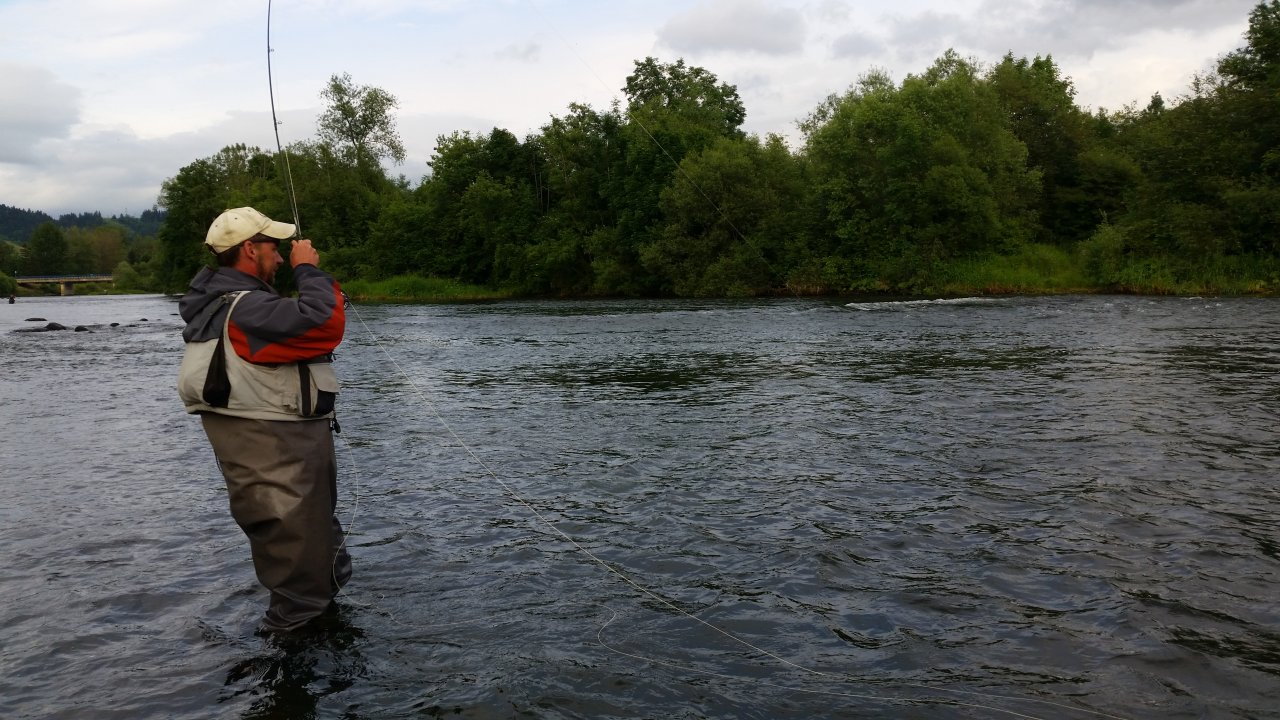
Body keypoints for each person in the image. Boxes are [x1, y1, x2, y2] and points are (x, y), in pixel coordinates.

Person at [177, 206, 352, 632]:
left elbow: (293, 335)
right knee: (301, 579)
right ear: (250, 250)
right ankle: (292, 670)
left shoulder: (229, 306)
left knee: (313, 560)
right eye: (274, 248)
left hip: (272, 454)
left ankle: (310, 642)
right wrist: (308, 271)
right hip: (279, 456)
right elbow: (324, 324)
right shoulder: (248, 310)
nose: (280, 256)